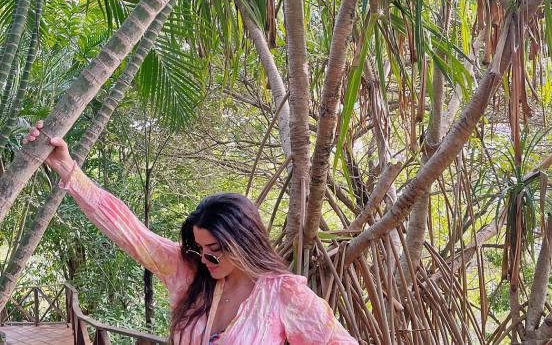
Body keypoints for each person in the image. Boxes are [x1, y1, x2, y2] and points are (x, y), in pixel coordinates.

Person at [24, 121, 357, 345]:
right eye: (199, 247)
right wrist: (65, 167)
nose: (204, 258)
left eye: (214, 249)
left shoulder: (284, 295)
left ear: (244, 242)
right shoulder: (187, 271)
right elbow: (128, 230)